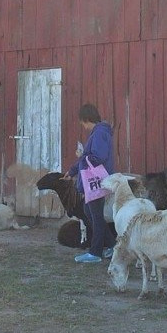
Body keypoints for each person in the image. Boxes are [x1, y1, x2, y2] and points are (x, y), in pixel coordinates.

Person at [63, 103, 115, 263]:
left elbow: (97, 157)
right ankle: (113, 246)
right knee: (89, 210)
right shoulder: (100, 132)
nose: (83, 127)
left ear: (86, 119)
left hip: (95, 180)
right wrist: (72, 171)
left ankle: (95, 252)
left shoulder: (99, 133)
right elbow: (91, 156)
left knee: (95, 215)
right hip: (97, 180)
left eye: (83, 123)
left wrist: (82, 156)